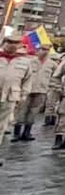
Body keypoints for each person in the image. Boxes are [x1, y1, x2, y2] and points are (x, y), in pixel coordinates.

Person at [0, 30, 32, 164]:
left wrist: (22, 96)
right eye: (10, 42)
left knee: (1, 126)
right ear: (4, 43)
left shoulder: (24, 62)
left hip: (10, 97)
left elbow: (27, 80)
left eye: (16, 43)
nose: (12, 45)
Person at [13, 44, 55, 142]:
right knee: (21, 111)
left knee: (33, 112)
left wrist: (50, 86)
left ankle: (27, 132)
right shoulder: (30, 62)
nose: (45, 52)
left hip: (41, 90)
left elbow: (55, 76)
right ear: (37, 50)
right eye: (43, 49)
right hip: (27, 90)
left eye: (47, 50)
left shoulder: (52, 64)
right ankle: (16, 133)